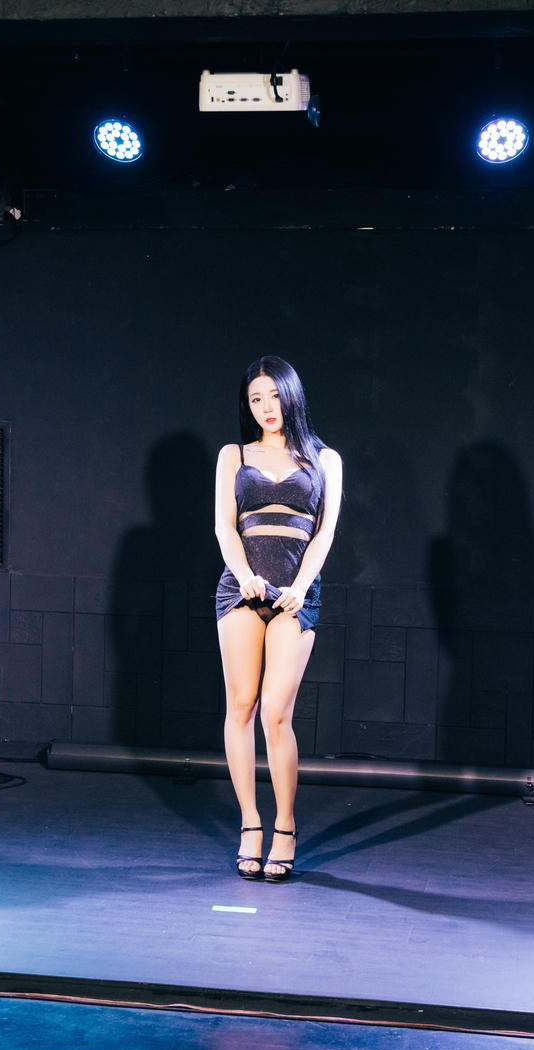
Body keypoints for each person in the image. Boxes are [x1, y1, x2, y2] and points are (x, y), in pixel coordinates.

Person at [214, 356, 342, 883]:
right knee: (241, 705)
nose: (266, 407)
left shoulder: (325, 459)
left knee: (275, 713)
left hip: (295, 595)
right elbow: (225, 527)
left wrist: (301, 588)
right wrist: (244, 575)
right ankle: (251, 824)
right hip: (241, 590)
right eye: (255, 399)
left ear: (291, 395)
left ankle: (285, 826)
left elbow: (324, 532)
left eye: (273, 395)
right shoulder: (234, 455)